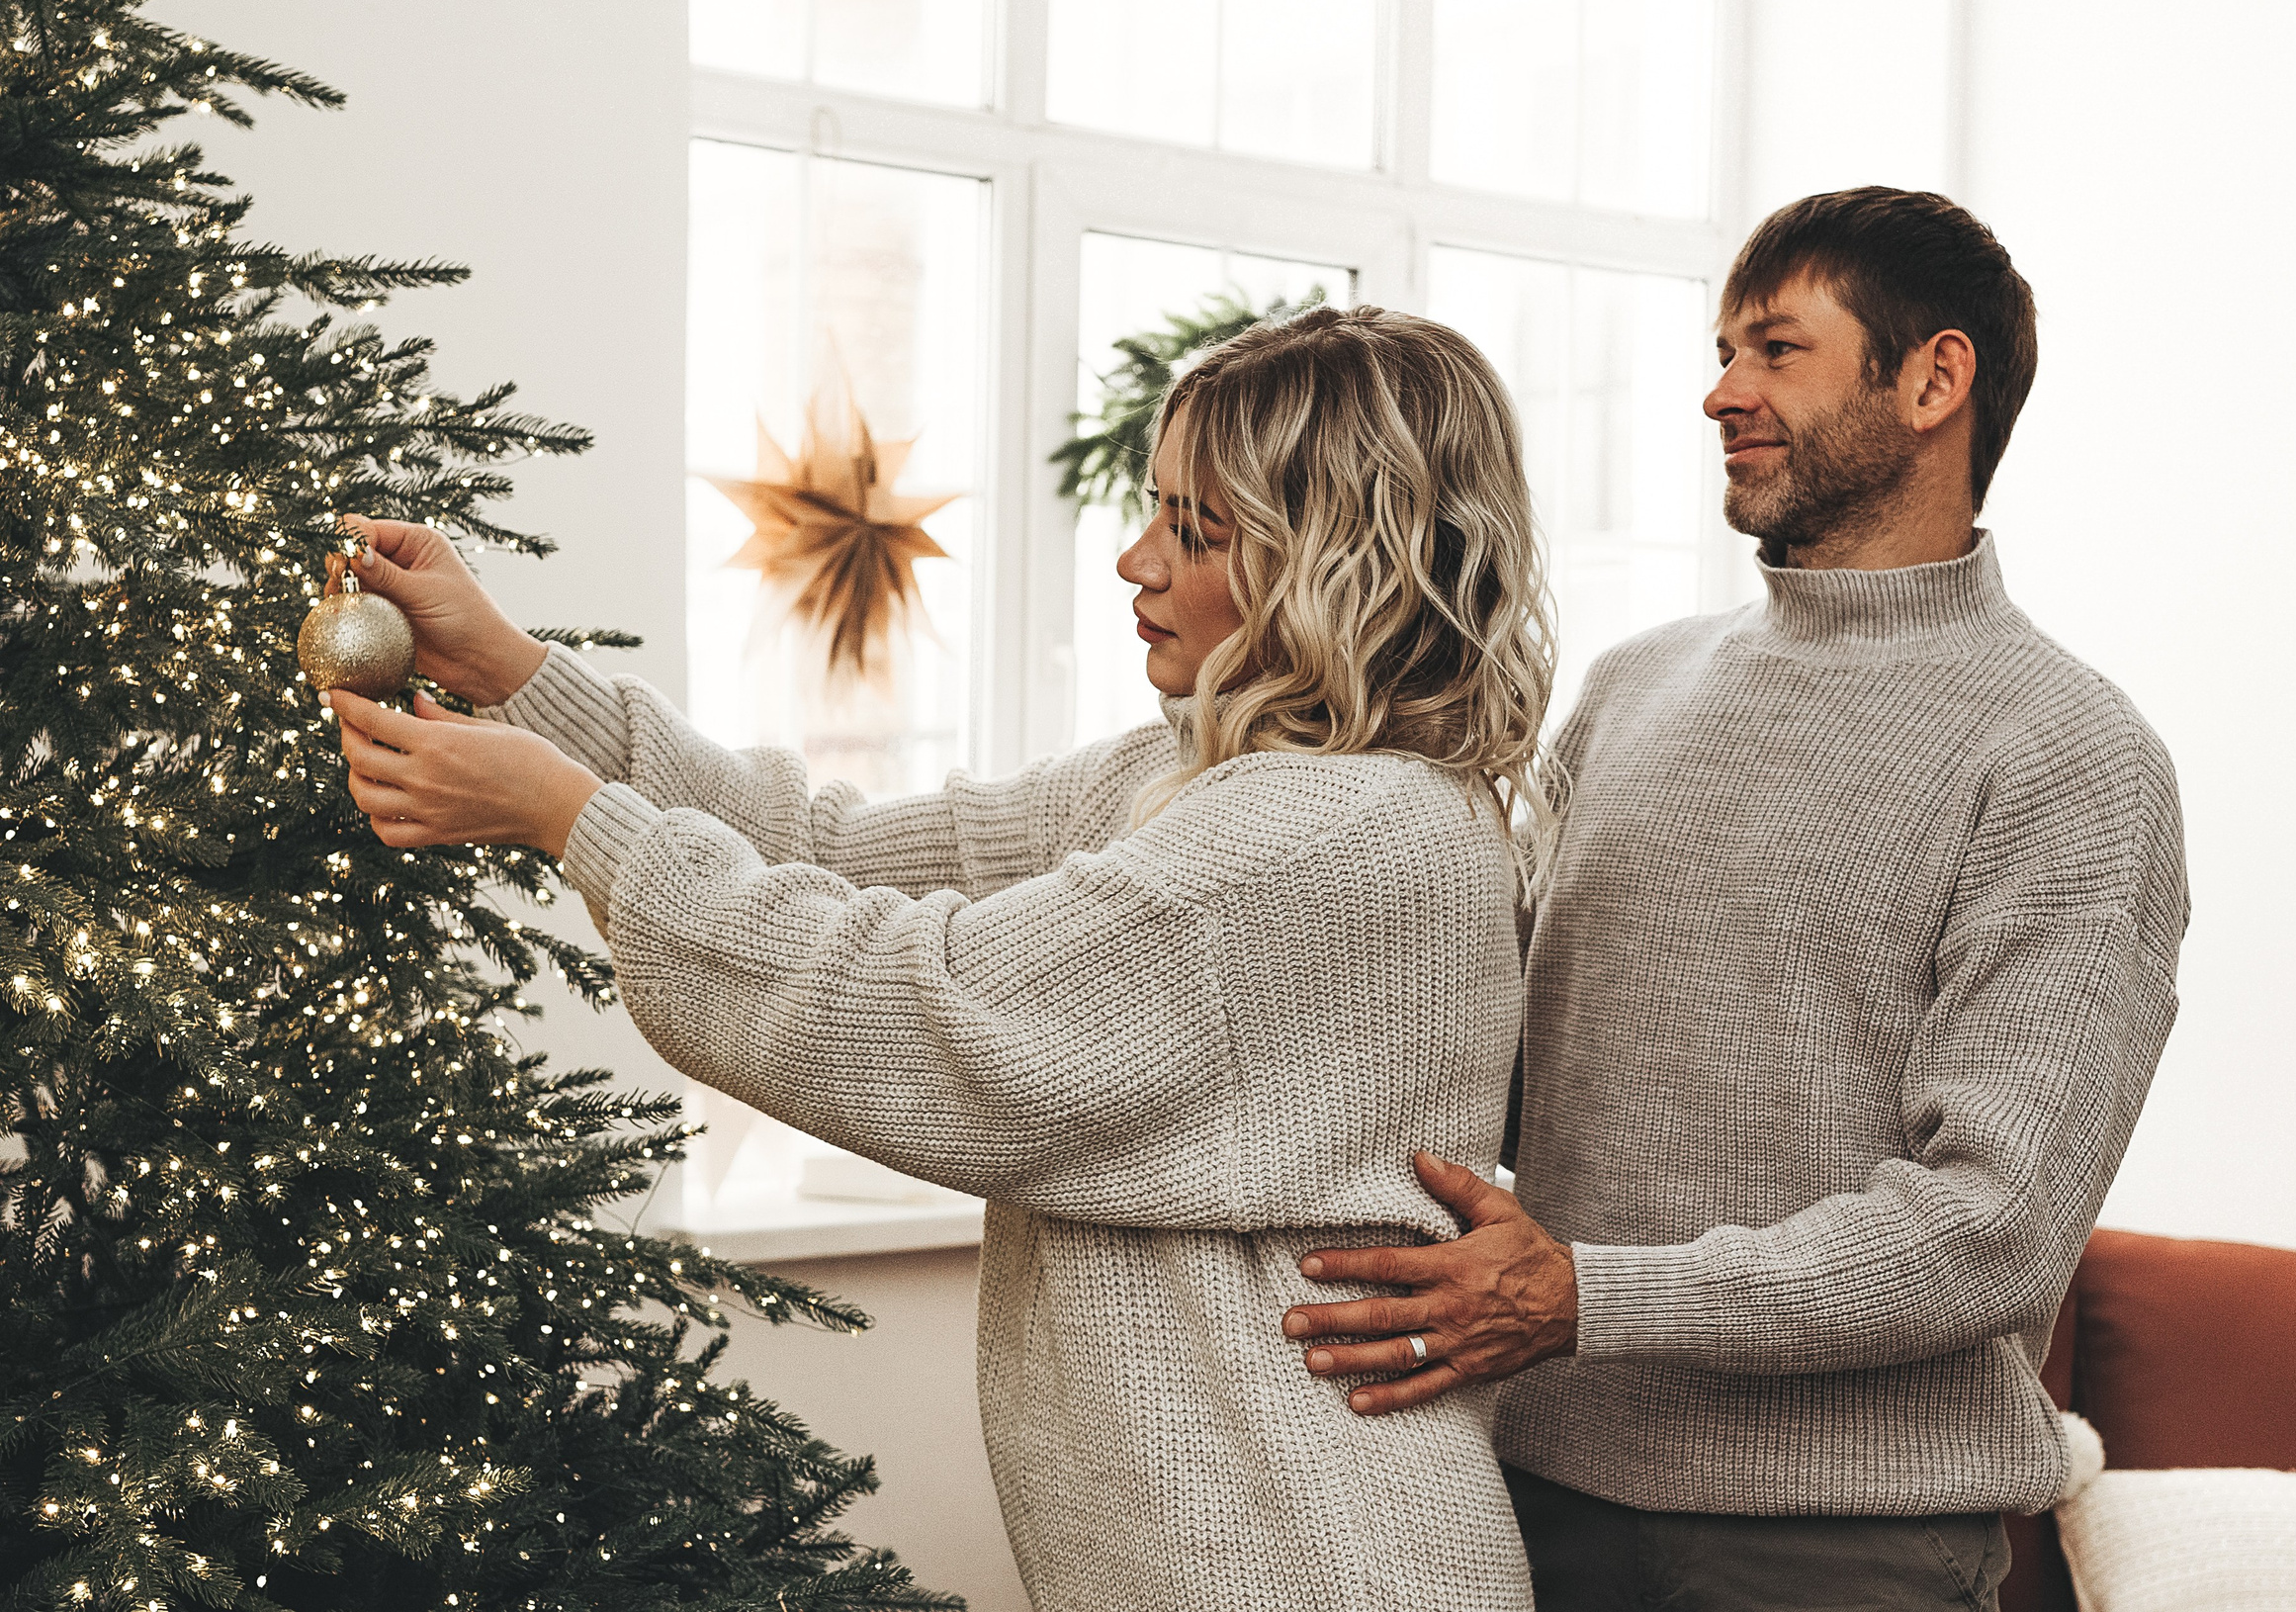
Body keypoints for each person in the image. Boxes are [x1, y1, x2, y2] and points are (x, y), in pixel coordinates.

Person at [325, 307, 1556, 1612]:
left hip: (1312, 1559)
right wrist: (523, 680)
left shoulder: (1326, 833)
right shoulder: (1206, 774)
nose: (1134, 560)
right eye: (1154, 510)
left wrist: (571, 820)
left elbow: (931, 1003)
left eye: (1195, 531)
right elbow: (839, 848)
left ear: (1338, 563)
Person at [1280, 188, 2189, 1611]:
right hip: (1521, 1496)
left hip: (1835, 1553)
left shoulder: (2068, 756)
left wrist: (1593, 1297)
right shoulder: (1630, 690)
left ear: (1936, 378)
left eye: (1775, 350)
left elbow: (1992, 1229)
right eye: (1723, 350)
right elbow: (1492, 1063)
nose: (1722, 392)